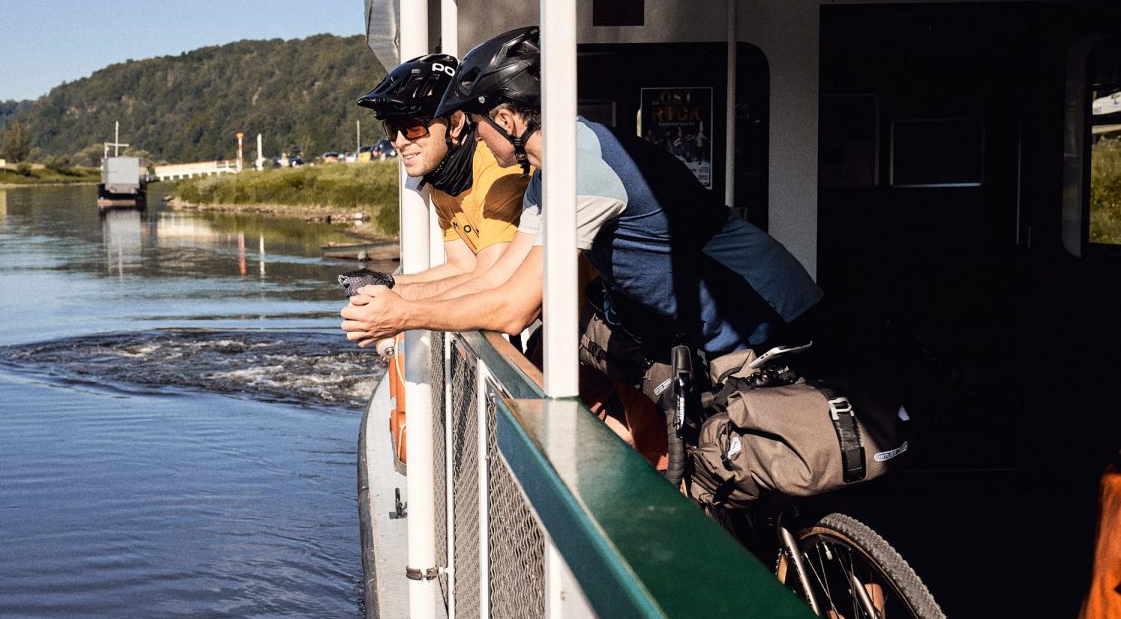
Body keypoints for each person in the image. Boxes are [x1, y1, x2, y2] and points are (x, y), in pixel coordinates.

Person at [342, 25, 823, 405]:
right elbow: (495, 280)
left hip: (772, 318)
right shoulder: (547, 176)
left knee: (741, 476)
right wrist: (391, 294)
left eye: (480, 125)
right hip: (714, 330)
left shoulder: (581, 168)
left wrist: (405, 313)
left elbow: (514, 309)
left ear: (507, 121)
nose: (479, 141)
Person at [353, 53, 530, 305]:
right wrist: (383, 282)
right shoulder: (442, 177)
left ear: (456, 123)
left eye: (413, 126)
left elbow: (489, 279)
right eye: (392, 130)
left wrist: (395, 300)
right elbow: (462, 266)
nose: (400, 142)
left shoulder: (498, 173)